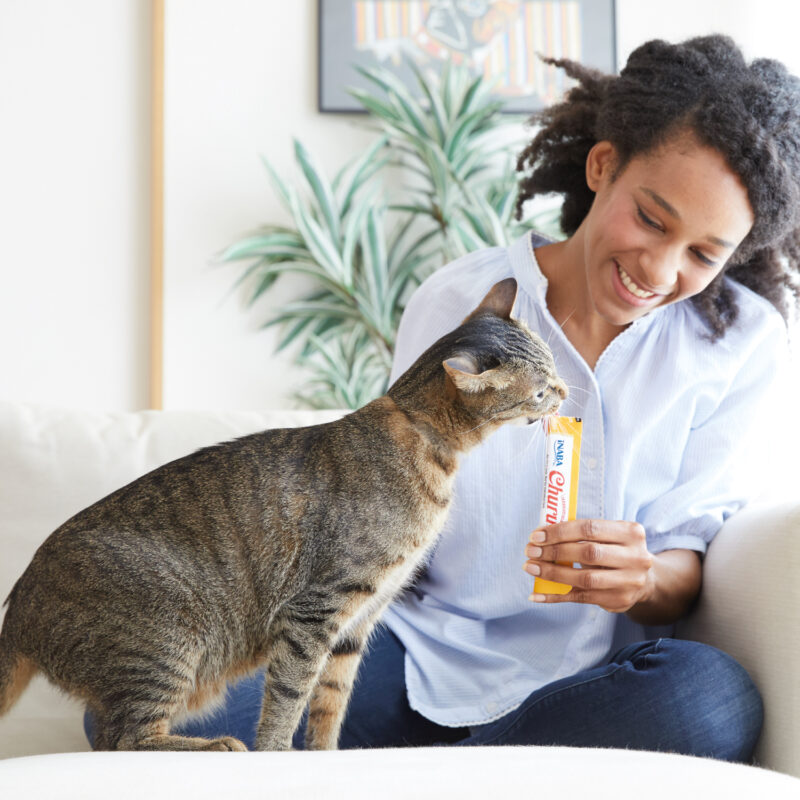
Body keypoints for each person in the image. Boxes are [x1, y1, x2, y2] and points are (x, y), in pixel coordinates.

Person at [87, 35, 800, 760]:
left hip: (593, 684)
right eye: (651, 218)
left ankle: (435, 771)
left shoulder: (741, 344)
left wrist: (642, 579)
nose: (660, 268)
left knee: (713, 700)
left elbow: (687, 561)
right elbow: (386, 509)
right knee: (138, 711)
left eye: (704, 254)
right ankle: (494, 769)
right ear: (602, 165)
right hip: (419, 656)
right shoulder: (461, 301)